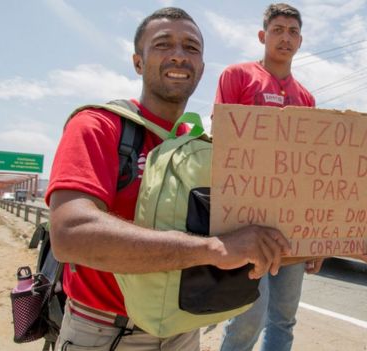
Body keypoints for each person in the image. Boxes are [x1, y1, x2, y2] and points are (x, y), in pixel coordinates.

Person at [46, 8, 294, 351]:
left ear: (202, 69)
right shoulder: (98, 126)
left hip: (183, 332)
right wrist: (211, 249)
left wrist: (342, 240)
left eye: (191, 48)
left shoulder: (207, 149)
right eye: (163, 44)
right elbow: (69, 235)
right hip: (104, 333)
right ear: (138, 61)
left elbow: (252, 232)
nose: (179, 54)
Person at [214, 3, 367, 351]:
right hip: (246, 225)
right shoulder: (237, 77)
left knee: (283, 319)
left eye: (293, 32)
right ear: (262, 35)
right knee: (247, 316)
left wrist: (318, 241)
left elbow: (311, 173)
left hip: (292, 232)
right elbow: (222, 147)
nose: (286, 37)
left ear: (300, 41)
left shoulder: (306, 98)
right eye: (278, 29)